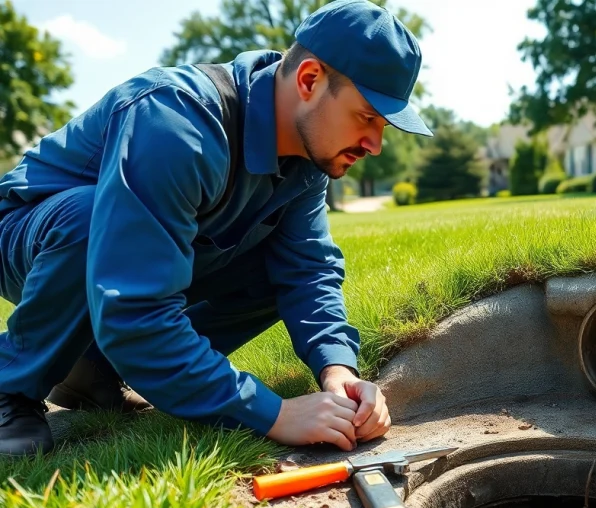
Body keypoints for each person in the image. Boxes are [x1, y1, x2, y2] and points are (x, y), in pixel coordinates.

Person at [0, 0, 432, 456]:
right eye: (366, 118)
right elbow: (134, 308)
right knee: (90, 219)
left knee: (276, 268)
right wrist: (272, 413)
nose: (375, 145)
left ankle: (92, 366)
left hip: (124, 258)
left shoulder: (308, 161)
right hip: (31, 235)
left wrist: (338, 369)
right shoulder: (175, 121)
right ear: (309, 80)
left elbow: (308, 272)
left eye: (383, 127)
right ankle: (11, 385)